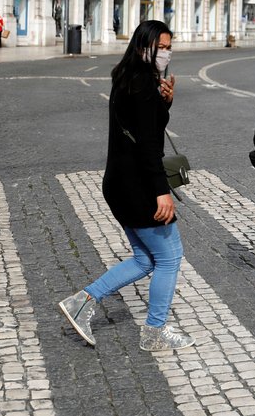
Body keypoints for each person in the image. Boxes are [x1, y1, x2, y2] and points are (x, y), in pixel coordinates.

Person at [58, 20, 193, 351]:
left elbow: (141, 129)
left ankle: (82, 301)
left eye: (169, 46)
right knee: (170, 257)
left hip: (118, 183)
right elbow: (150, 147)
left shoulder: (125, 78)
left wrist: (165, 103)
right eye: (161, 46)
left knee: (146, 259)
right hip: (140, 187)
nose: (166, 52)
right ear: (142, 46)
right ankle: (155, 331)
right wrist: (162, 192)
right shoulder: (144, 85)